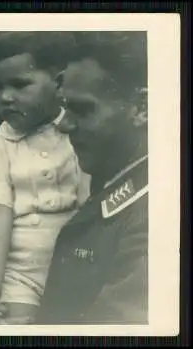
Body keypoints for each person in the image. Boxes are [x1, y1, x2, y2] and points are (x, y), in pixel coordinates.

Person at [0, 33, 92, 325]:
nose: (6, 97)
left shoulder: (77, 132)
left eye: (20, 84)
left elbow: (92, 199)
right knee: (13, 323)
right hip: (20, 273)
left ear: (58, 83)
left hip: (77, 263)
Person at [35, 36, 149, 324]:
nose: (63, 124)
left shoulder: (155, 217)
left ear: (143, 108)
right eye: (64, 108)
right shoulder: (114, 190)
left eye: (83, 109)